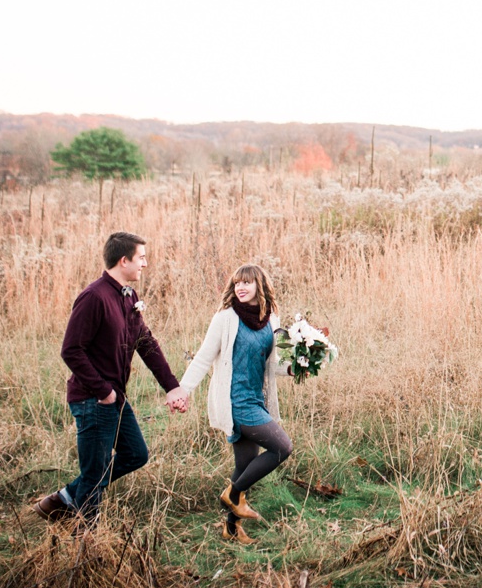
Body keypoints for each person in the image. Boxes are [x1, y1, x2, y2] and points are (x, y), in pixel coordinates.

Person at [33, 231, 189, 521]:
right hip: (93, 400)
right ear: (123, 260)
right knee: (94, 475)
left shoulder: (128, 296)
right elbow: (71, 350)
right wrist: (104, 391)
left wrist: (172, 387)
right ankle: (86, 544)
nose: (145, 264)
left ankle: (64, 498)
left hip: (114, 399)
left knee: (135, 454)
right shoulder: (94, 297)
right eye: (141, 258)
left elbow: (145, 343)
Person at [179, 263, 294, 544]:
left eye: (247, 283)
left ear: (260, 286)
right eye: (237, 283)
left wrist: (295, 367)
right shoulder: (226, 319)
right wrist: (182, 390)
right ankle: (232, 494)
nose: (240, 288)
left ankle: (231, 529)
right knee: (282, 448)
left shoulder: (271, 320)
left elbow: (272, 364)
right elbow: (204, 357)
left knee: (244, 465)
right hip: (236, 403)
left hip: (257, 399)